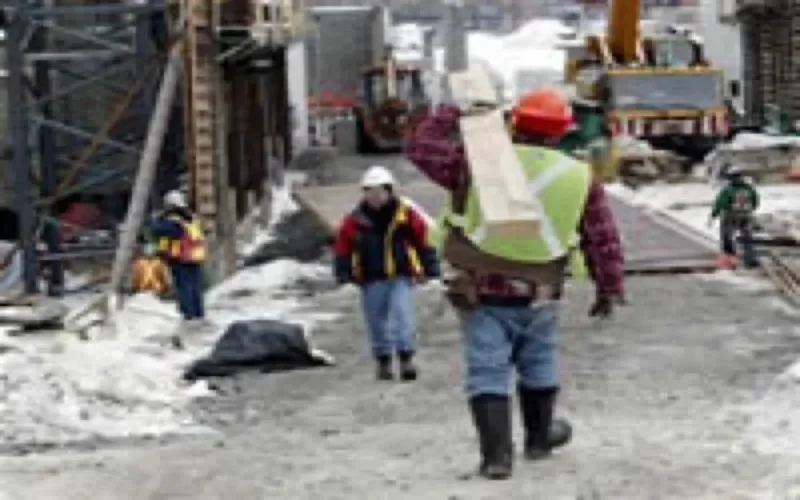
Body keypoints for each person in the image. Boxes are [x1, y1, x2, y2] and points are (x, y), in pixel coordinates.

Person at [406, 88, 625, 480]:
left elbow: (421, 148)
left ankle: (496, 458)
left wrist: (456, 112)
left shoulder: (479, 165)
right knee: (539, 361)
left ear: (515, 123)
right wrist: (608, 287)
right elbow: (601, 235)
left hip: (481, 288)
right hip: (542, 290)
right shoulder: (578, 176)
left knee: (487, 368)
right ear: (562, 132)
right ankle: (539, 439)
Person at [333, 165, 441, 381]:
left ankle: (406, 359)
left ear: (389, 190)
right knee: (376, 321)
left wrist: (431, 270)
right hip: (370, 279)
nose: (375, 196)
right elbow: (342, 249)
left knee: (403, 317)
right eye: (370, 191)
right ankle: (383, 360)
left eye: (379, 191)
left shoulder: (404, 215)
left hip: (400, 275)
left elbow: (423, 241)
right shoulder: (354, 221)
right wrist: (343, 276)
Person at [149, 190, 208, 325]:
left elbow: (156, 230)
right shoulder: (191, 218)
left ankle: (188, 314)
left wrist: (155, 219)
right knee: (195, 287)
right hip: (195, 257)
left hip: (182, 258)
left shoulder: (174, 220)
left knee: (184, 287)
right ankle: (198, 313)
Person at [709, 166, 759, 269]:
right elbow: (756, 202)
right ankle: (750, 259)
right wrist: (748, 210)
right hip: (746, 215)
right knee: (747, 238)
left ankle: (730, 260)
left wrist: (714, 214)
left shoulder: (728, 190)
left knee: (726, 236)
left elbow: (720, 203)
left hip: (730, 215)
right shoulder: (749, 188)